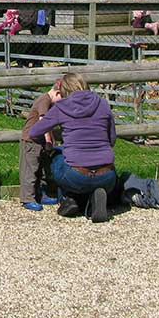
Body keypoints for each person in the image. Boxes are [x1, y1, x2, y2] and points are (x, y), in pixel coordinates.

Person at [29, 72, 118, 223]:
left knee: (57, 157)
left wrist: (50, 142)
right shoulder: (102, 104)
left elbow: (34, 131)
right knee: (88, 169)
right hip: (107, 176)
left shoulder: (62, 107)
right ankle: (92, 200)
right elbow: (112, 140)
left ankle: (70, 199)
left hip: (76, 175)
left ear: (64, 91)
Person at [18, 81, 62, 211]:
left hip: (40, 140)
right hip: (31, 140)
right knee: (30, 170)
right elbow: (44, 123)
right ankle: (28, 198)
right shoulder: (44, 100)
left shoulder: (50, 102)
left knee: (43, 169)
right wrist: (49, 141)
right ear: (57, 93)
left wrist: (51, 141)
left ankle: (41, 193)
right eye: (62, 98)